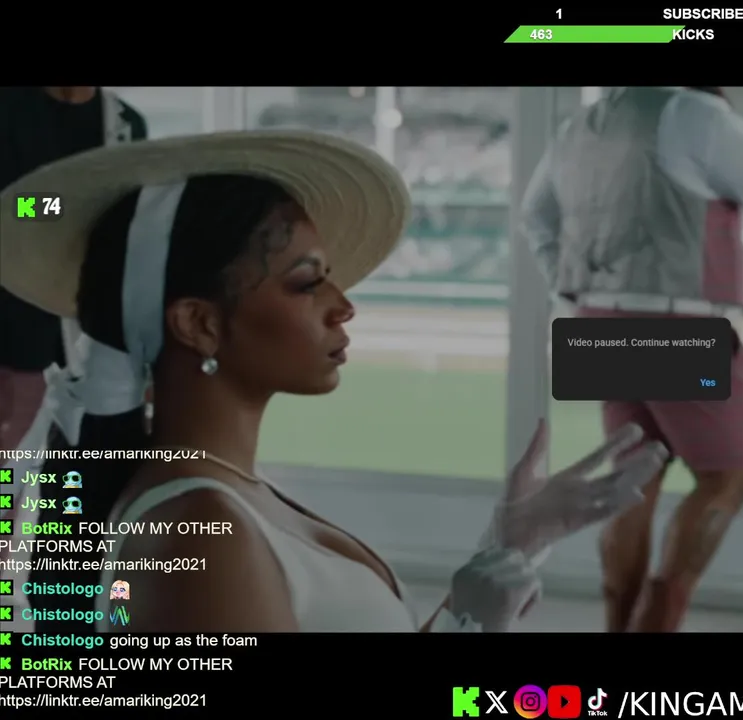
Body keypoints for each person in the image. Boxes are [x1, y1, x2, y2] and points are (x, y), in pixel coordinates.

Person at [1, 130, 668, 632]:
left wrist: (511, 546)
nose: (343, 305)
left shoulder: (228, 499)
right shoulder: (198, 531)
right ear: (198, 324)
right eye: (306, 282)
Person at [520, 86, 743, 632]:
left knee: (632, 478)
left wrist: (573, 287)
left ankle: (618, 625)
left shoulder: (579, 127)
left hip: (595, 321)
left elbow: (534, 217)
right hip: (675, 324)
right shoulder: (694, 112)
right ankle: (659, 618)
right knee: (729, 477)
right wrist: (722, 110)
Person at [0, 87, 146, 451]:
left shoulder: (124, 125)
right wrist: (64, 207)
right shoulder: (8, 109)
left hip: (83, 335)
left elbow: (127, 217)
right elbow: (8, 207)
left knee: (56, 469)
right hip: (12, 324)